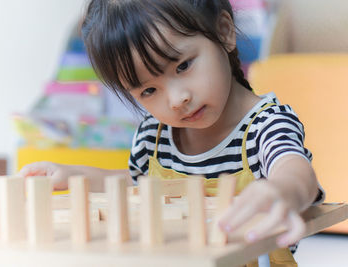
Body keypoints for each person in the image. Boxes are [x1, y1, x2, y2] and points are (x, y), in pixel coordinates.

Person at [19, 0, 324, 265]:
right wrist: (72, 176)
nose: (177, 100)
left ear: (224, 31)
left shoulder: (266, 124)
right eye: (149, 89)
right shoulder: (153, 137)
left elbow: (295, 171)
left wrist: (283, 191)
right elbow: (137, 186)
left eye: (183, 66)